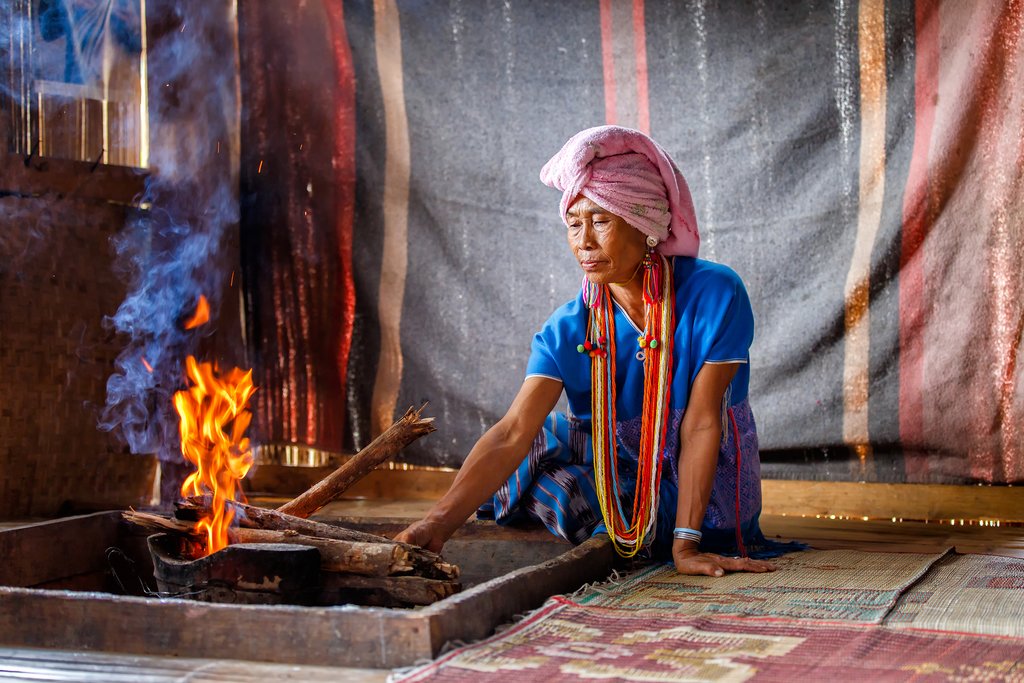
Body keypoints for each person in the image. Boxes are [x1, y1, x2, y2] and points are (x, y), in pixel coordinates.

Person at [396, 125, 802, 576]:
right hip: (614, 464)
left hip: (702, 488)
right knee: (538, 441)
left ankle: (645, 534)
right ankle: (614, 527)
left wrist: (687, 545)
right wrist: (437, 523)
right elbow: (514, 431)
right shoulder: (569, 326)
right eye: (573, 224)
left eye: (601, 221)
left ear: (646, 224)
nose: (583, 242)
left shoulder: (714, 294)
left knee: (560, 489)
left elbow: (703, 422)